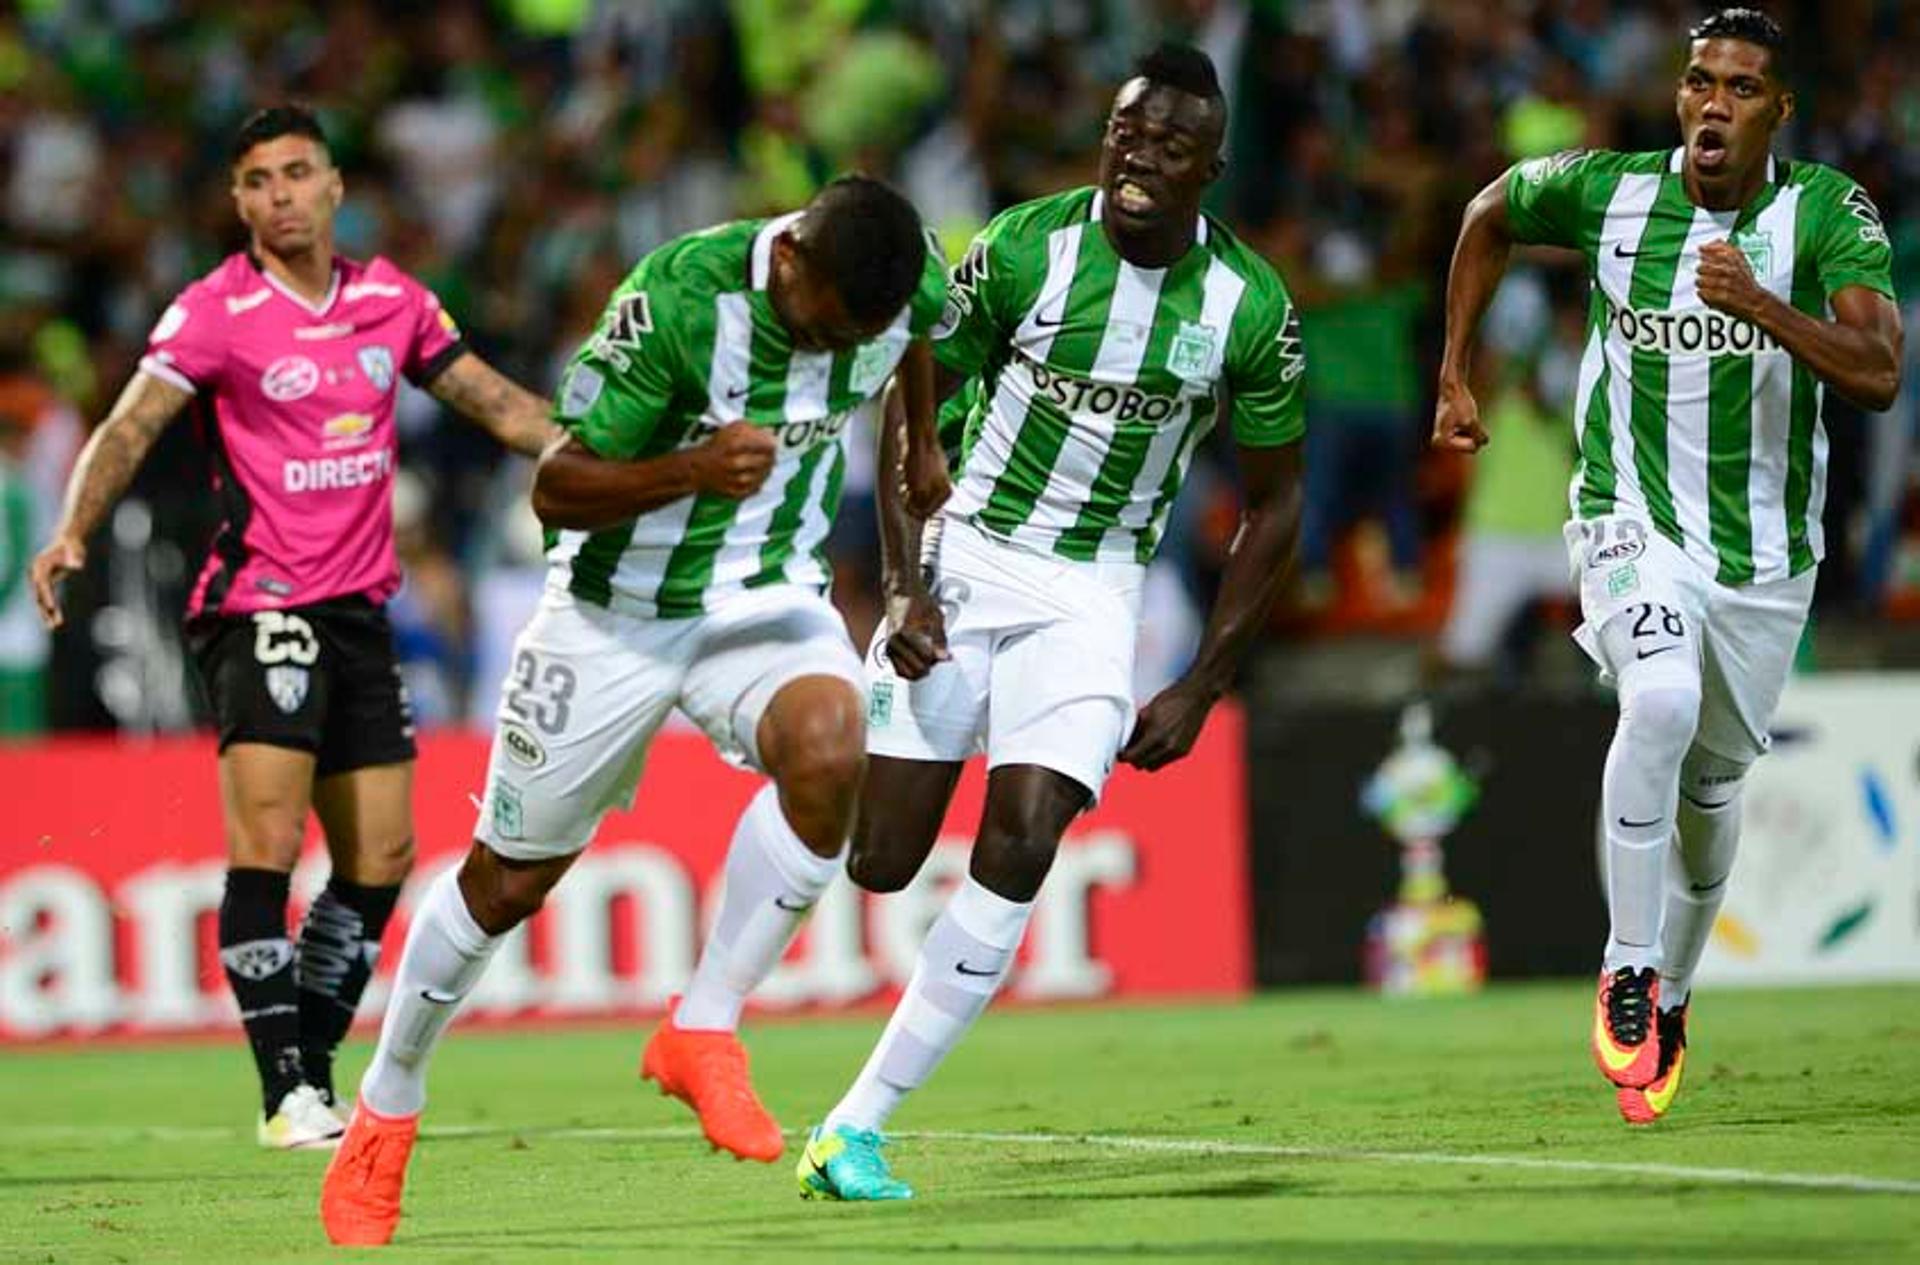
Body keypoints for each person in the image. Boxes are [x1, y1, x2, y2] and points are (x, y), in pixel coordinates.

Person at [318, 174, 948, 1247]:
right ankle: (388, 1102)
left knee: (836, 747)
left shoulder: (899, 282)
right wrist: (693, 468)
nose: (840, 345)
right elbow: (558, 486)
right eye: (830, 325)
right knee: (508, 880)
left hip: (767, 595)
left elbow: (917, 342)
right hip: (612, 616)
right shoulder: (679, 300)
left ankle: (701, 1026)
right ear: (790, 257)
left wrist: (921, 439)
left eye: (863, 332)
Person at [795, 44, 1306, 1201]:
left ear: (1210, 169)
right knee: (880, 861)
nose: (1140, 156)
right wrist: (905, 582)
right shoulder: (1023, 249)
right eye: (1128, 130)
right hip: (967, 552)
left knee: (1022, 839)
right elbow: (911, 401)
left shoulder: (1250, 308)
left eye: (1171, 144)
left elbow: (1276, 504)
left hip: (1094, 590)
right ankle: (799, 729)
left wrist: (1203, 681)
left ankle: (854, 1125)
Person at [27, 106, 559, 1149]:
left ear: (335, 185)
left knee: (383, 853)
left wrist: (618, 454)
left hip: (360, 608)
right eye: (258, 179)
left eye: (296, 172)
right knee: (269, 838)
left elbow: (500, 405)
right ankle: (283, 1090)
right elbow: (131, 423)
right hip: (258, 603)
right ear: (239, 201)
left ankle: (311, 1069)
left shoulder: (389, 300)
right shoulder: (215, 311)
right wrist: (71, 532)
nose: (279, 194)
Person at [1430, 8, 1901, 1125]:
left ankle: (1675, 994)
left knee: (1712, 784)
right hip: (1628, 518)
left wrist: (1761, 306)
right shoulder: (1609, 190)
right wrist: (1455, 370)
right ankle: (1629, 965)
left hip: (1764, 559)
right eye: (1699, 83)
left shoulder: (1825, 212)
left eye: (1742, 88)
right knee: (1660, 701)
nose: (1713, 106)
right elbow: (1487, 211)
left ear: (1779, 110)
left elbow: (1879, 369)